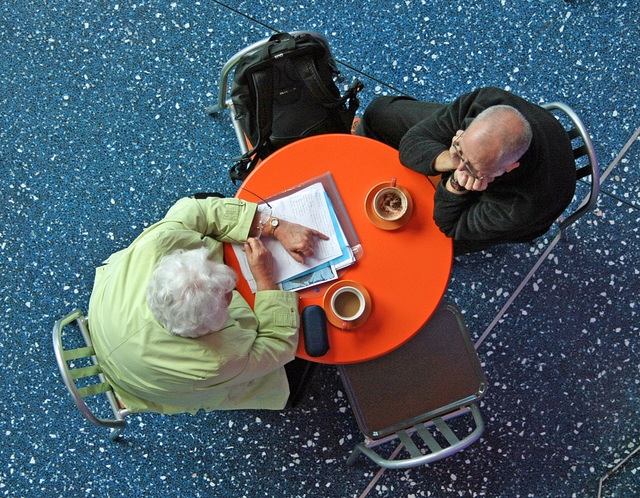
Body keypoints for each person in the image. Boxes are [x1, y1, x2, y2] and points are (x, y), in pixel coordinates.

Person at [88, 195, 328, 414]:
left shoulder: (157, 246)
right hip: (143, 381)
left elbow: (197, 210)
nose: (232, 294)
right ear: (203, 331)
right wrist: (265, 278)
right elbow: (277, 346)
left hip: (110, 326)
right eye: (228, 296)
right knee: (300, 351)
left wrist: (276, 226)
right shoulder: (214, 363)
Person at [357, 87, 576, 255]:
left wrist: (455, 185)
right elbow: (412, 143)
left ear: (509, 167)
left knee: (431, 243)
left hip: (525, 214)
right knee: (378, 113)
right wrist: (448, 160)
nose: (460, 166)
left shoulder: (522, 206)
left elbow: (450, 225)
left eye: (470, 166)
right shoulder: (487, 100)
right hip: (519, 149)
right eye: (460, 148)